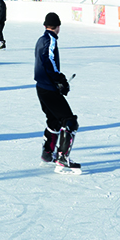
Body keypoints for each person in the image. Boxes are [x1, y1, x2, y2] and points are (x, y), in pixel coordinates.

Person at [33, 12, 80, 173]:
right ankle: (62, 158)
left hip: (41, 87)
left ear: (45, 25)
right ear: (58, 26)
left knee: (54, 121)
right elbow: (49, 61)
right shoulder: (50, 40)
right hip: (49, 88)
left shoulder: (41, 39)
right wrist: (60, 80)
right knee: (70, 121)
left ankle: (47, 154)